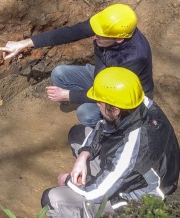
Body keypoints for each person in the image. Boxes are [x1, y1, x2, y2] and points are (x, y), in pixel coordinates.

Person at [40, 67, 179, 218]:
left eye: (100, 102)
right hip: (138, 168)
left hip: (141, 193)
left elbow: (97, 193)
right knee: (78, 134)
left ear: (116, 110)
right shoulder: (139, 103)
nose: (97, 104)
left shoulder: (132, 148)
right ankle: (99, 175)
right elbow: (103, 124)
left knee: (50, 199)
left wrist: (67, 180)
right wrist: (84, 155)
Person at [0, 3, 153, 127]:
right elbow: (70, 32)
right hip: (102, 76)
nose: (94, 36)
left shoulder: (133, 58)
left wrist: (68, 95)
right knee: (59, 73)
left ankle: (114, 132)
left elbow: (109, 95)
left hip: (125, 99)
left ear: (119, 39)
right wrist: (24, 43)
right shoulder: (109, 27)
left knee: (85, 114)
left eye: (100, 36)